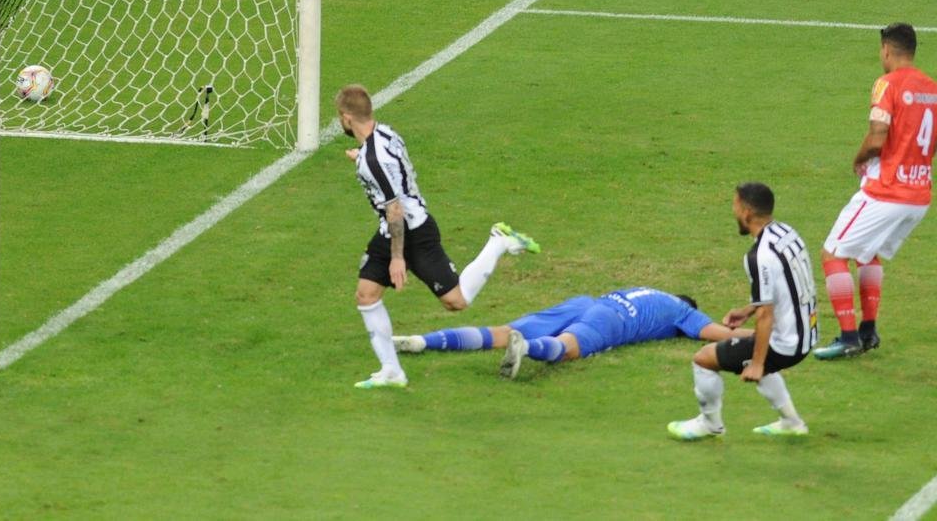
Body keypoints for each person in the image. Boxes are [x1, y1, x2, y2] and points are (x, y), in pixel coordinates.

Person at [335, 84, 540, 389]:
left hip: (412, 232)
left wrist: (397, 258)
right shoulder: (385, 134)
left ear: (346, 117)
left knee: (456, 301)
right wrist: (361, 158)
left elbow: (394, 210)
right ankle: (392, 371)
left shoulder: (373, 160)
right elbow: (390, 171)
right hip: (391, 230)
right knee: (366, 294)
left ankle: (498, 241)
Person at [813, 23, 937, 360]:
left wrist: (859, 158)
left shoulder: (887, 84)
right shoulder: (932, 89)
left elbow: (878, 135)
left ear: (886, 49)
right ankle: (868, 332)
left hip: (887, 192)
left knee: (832, 254)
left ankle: (848, 337)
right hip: (919, 195)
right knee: (868, 253)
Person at [667, 182, 817, 441]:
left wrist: (757, 364)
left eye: (735, 206)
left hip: (786, 342)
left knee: (704, 359)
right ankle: (791, 422)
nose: (733, 212)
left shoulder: (759, 256)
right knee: (754, 352)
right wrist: (748, 310)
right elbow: (788, 285)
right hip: (807, 332)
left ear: (747, 212)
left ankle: (710, 424)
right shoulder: (786, 232)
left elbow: (766, 315)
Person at [391, 287, 751, 380]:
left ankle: (423, 341)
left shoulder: (649, 290)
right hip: (613, 318)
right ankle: (526, 348)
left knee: (500, 331)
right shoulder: (683, 312)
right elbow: (719, 334)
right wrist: (767, 330)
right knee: (568, 348)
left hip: (586, 302)